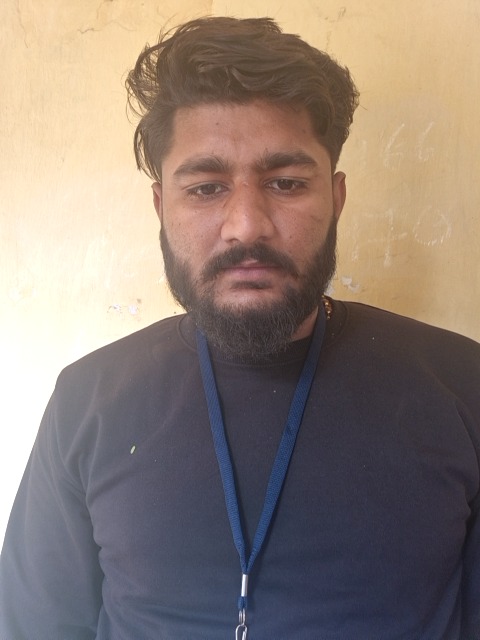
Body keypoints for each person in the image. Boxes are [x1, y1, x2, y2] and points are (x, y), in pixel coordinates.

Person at [1, 15, 479, 640]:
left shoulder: (462, 385)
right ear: (161, 206)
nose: (247, 225)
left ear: (336, 199)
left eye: (287, 183)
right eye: (206, 188)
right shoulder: (87, 399)